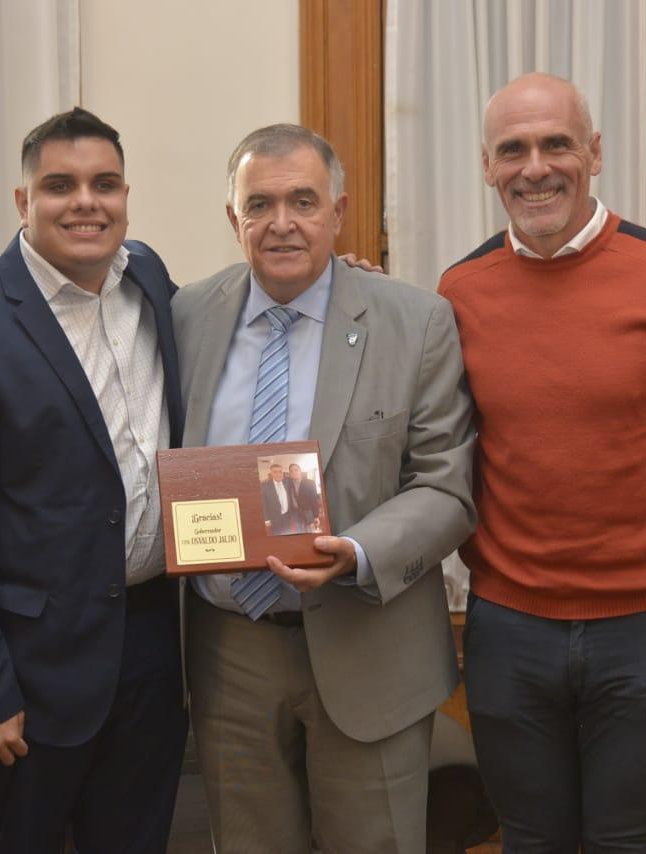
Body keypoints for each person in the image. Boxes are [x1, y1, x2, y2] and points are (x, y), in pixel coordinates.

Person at [438, 72, 646, 851]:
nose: (535, 167)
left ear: (596, 153)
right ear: (487, 165)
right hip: (509, 631)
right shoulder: (458, 291)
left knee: (628, 841)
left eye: (557, 144)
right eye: (513, 149)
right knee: (529, 839)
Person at [173, 123, 477, 853]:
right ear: (233, 218)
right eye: (261, 203)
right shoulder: (184, 316)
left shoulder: (415, 321)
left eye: (303, 201)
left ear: (339, 213)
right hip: (230, 653)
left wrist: (357, 551)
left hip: (367, 644)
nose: (282, 223)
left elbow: (448, 486)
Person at [0, 107, 186, 853]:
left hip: (155, 644)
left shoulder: (150, 280)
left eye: (105, 184)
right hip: (32, 675)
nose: (85, 202)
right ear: (24, 201)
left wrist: (341, 277)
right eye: (60, 185)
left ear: (126, 195)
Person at [261, 462, 300, 534]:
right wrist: (266, 519)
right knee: (277, 535)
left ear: (283, 472)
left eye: (280, 471)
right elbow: (264, 504)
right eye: (275, 472)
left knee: (288, 533)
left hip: (287, 516)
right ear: (271, 473)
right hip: (275, 518)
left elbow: (296, 479)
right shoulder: (265, 486)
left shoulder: (287, 481)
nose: (278, 474)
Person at [288, 462, 321, 531]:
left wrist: (316, 516)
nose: (294, 472)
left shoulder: (310, 483)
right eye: (291, 471)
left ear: (300, 471)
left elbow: (314, 500)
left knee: (310, 531)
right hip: (296, 513)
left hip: (308, 512)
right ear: (290, 474)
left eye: (296, 470)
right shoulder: (289, 484)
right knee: (299, 530)